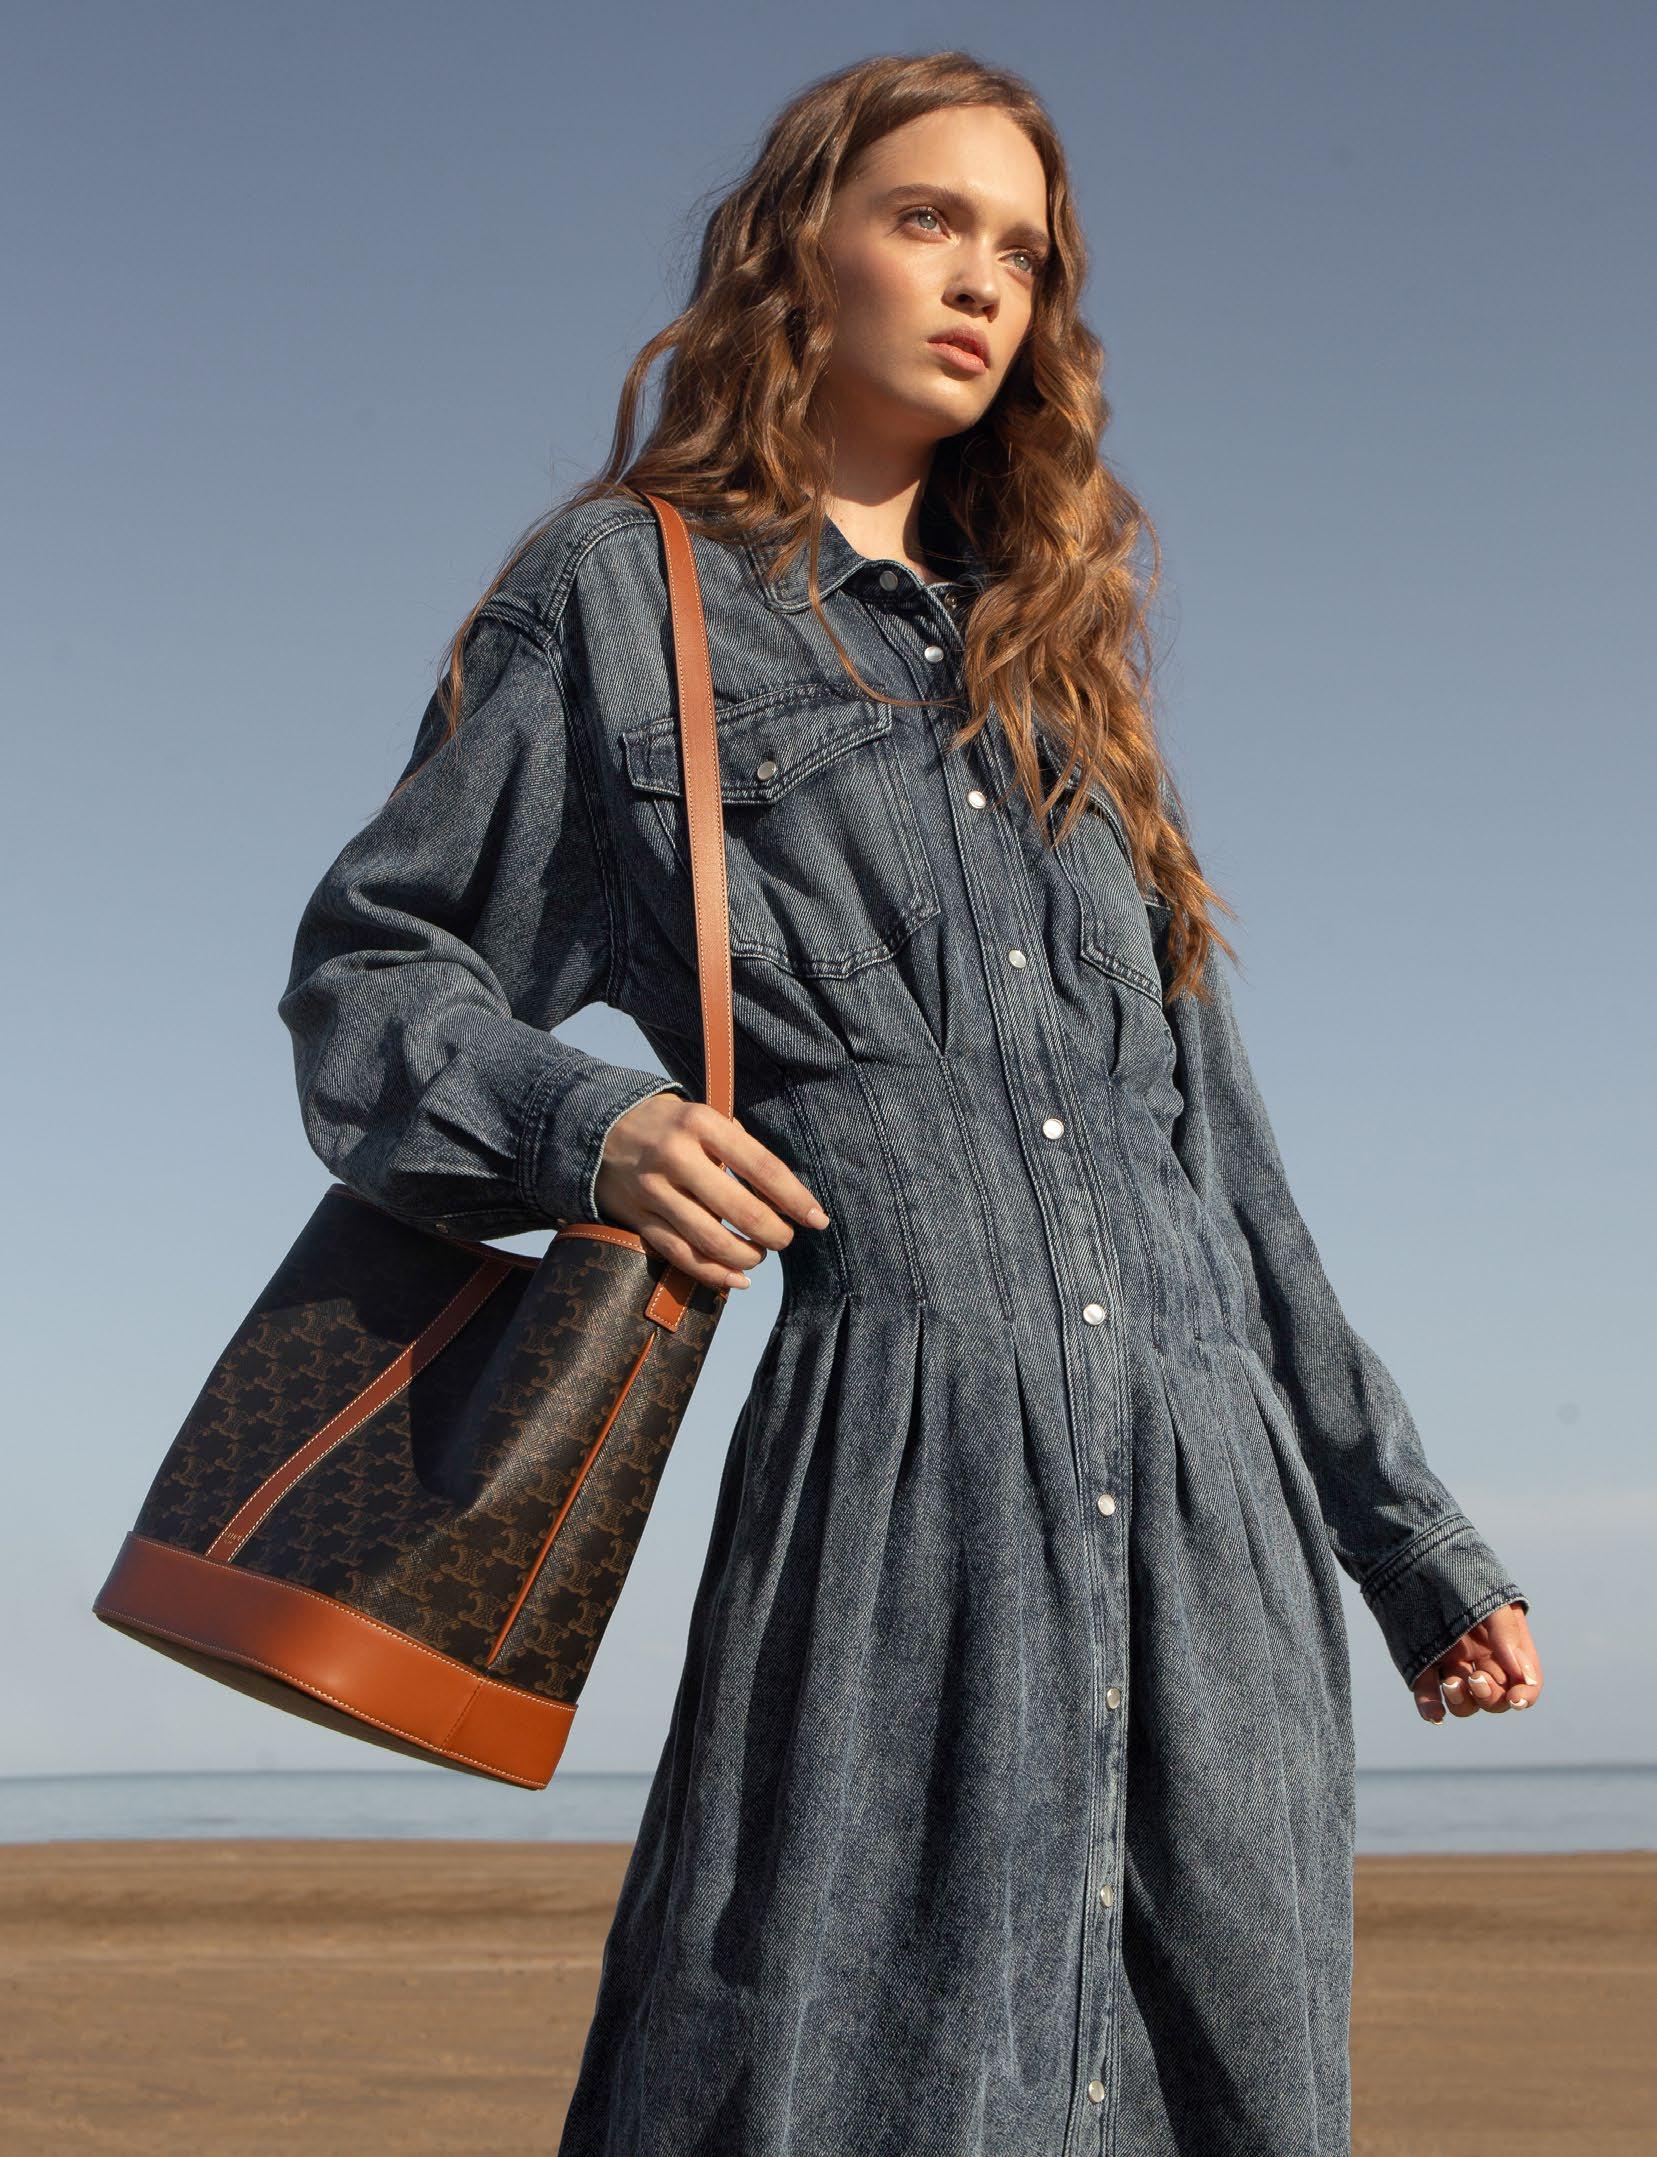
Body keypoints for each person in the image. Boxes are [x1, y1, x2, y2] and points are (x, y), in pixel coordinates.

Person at [277, 49, 1541, 2157]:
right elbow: (371, 971)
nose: (979, 283)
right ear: (803, 246)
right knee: (826, 2077)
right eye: (927, 220)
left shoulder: (1059, 663)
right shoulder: (625, 596)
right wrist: (595, 1126)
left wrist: (1402, 1533)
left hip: (1214, 1517)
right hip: (899, 1484)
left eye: (1021, 254)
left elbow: (1222, 1162)